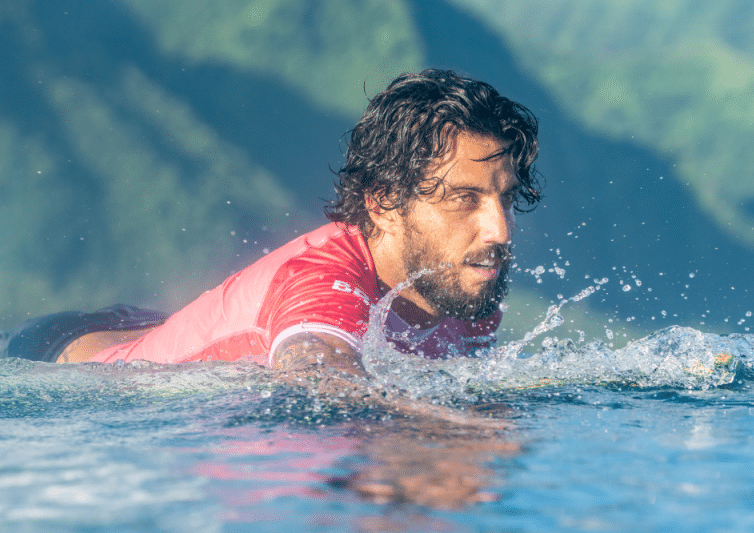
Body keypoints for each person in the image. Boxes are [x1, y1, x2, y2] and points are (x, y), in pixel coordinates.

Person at [0, 69, 542, 375]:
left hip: (161, 324)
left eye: (505, 200)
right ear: (382, 202)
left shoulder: (460, 284)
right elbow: (316, 369)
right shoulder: (322, 282)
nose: (499, 231)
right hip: (61, 353)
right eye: (463, 199)